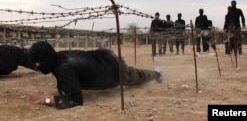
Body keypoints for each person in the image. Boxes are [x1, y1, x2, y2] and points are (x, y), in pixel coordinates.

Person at [28, 41, 163, 109]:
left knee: (136, 77)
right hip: (104, 56)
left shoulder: (63, 67)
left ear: (47, 58)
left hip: (113, 67)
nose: (37, 66)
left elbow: (76, 100)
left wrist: (44, 99)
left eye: (39, 62)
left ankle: (157, 74)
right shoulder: (59, 57)